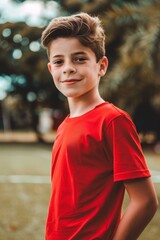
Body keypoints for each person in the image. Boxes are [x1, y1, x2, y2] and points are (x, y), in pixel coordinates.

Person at [41, 12, 158, 240]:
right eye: (59, 61)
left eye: (79, 59)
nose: (67, 68)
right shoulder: (66, 124)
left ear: (101, 66)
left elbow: (145, 201)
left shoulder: (112, 121)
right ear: (51, 70)